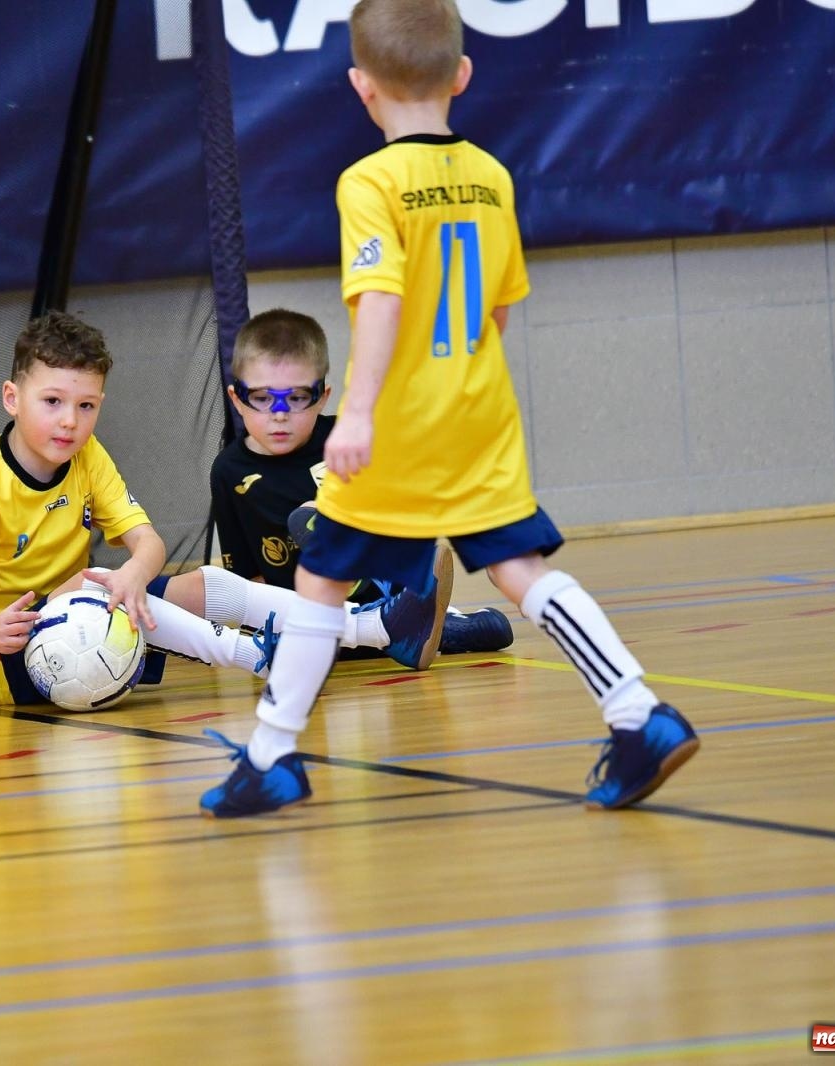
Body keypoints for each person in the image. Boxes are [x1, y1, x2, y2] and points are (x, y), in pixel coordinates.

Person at [200, 0, 697, 818]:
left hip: (403, 423)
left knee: (320, 575)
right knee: (520, 571)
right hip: (483, 415)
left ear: (361, 85)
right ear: (462, 74)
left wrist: (360, 413)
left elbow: (381, 300)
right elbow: (499, 308)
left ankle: (272, 757)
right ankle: (639, 713)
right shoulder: (493, 176)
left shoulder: (369, 182)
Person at [0, 310, 449, 707]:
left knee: (201, 582)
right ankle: (261, 657)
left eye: (86, 406)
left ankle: (377, 627)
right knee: (99, 584)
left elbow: (148, 543)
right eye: (52, 402)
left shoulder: (87, 455)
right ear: (12, 398)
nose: (70, 421)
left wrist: (134, 574)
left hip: (82, 616)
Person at [191, 307, 514, 659]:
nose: (279, 414)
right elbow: (245, 576)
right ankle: (414, 630)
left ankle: (403, 615)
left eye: (296, 398)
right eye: (262, 398)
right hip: (307, 615)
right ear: (237, 399)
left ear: (323, 396)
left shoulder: (349, 439)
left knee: (493, 626)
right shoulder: (228, 471)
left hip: (383, 593)